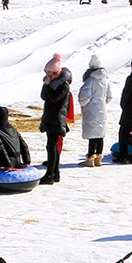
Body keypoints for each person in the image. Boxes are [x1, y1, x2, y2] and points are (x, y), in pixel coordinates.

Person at [39, 54, 73, 185]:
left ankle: (50, 175)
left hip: (57, 119)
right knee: (51, 146)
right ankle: (55, 173)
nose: (47, 74)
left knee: (52, 147)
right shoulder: (52, 82)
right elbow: (44, 97)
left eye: (49, 72)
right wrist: (45, 84)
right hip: (50, 118)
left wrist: (48, 85)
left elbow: (54, 99)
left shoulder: (63, 85)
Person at [77, 55, 112, 167]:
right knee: (100, 133)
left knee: (92, 134)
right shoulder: (106, 80)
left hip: (92, 110)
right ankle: (99, 157)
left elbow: (84, 96)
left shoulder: (91, 80)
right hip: (102, 110)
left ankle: (90, 157)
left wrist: (85, 104)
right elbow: (109, 97)